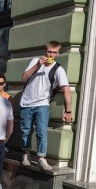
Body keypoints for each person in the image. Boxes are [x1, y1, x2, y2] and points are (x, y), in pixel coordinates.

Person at [20, 40, 72, 171]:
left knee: (41, 132)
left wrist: (69, 111)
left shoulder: (58, 69)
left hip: (42, 103)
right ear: (45, 51)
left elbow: (66, 89)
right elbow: (24, 77)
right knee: (25, 130)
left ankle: (41, 159)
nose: (51, 55)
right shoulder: (35, 61)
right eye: (49, 51)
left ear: (58, 54)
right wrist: (37, 65)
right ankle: (26, 155)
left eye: (54, 53)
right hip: (26, 102)